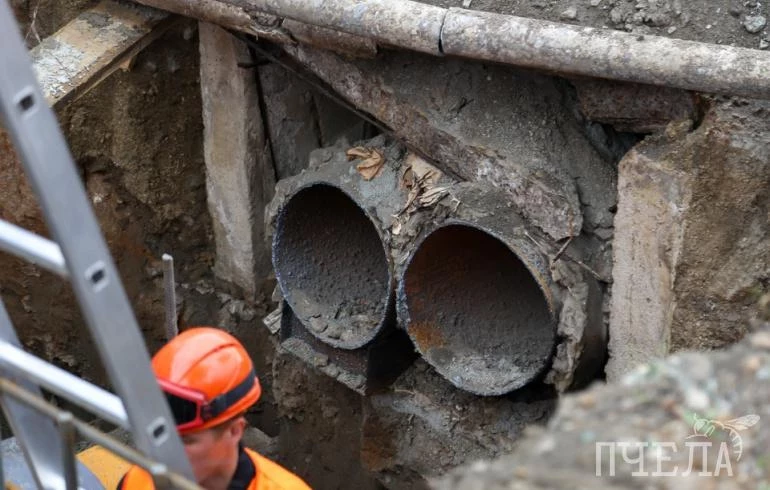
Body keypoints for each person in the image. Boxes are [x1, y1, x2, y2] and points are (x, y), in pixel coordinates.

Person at [118, 327, 311, 490]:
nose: (163, 453)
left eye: (186, 441)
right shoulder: (138, 481)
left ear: (235, 430)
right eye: (159, 434)